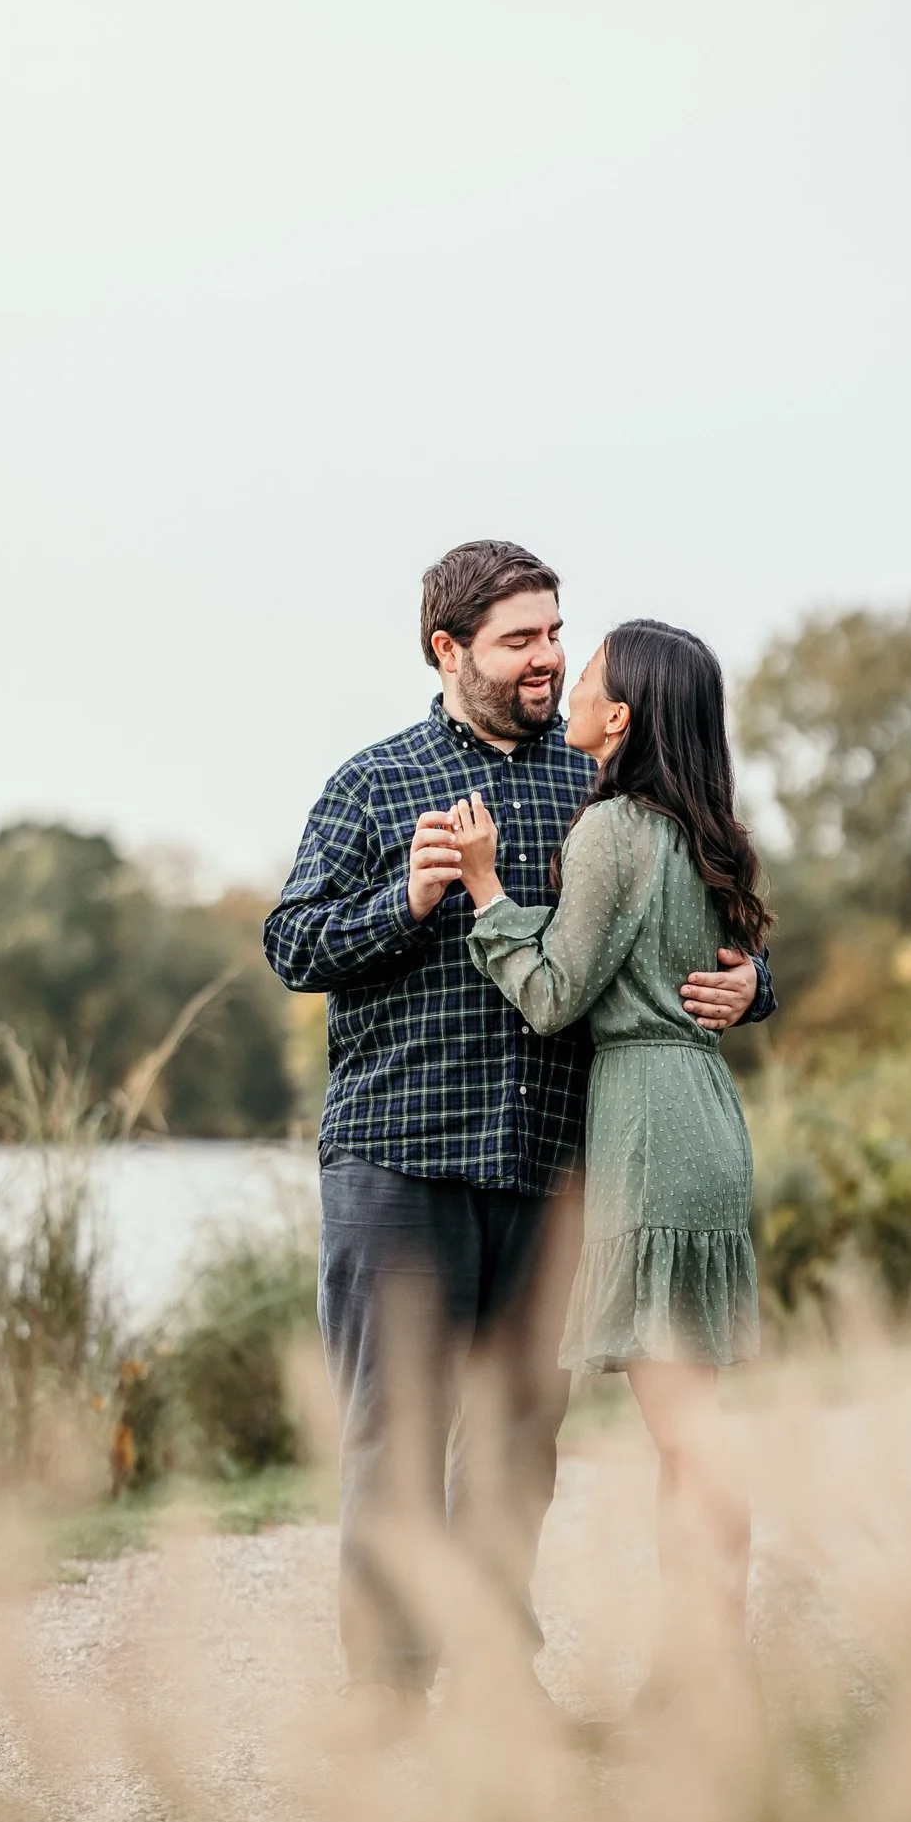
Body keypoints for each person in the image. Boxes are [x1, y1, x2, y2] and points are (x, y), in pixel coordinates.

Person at [263, 544, 774, 1742]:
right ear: (449, 651)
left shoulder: (596, 789)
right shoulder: (373, 786)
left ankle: (499, 1685)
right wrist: (408, 900)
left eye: (556, 633)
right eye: (520, 640)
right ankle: (386, 1701)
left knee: (515, 1443)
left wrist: (754, 989)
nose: (548, 658)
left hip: (555, 1166)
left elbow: (688, 915)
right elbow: (292, 946)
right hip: (399, 1158)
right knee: (394, 1433)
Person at [449, 619, 771, 1697]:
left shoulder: (612, 832)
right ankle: (699, 1665)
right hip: (706, 1114)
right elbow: (716, 965)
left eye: (584, 674)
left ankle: (709, 1674)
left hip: (645, 1125)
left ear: (619, 716)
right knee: (692, 1422)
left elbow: (551, 996)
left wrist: (488, 893)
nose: (568, 682)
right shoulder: (698, 829)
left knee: (686, 1429)